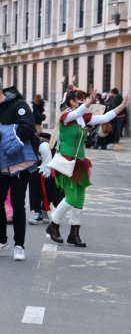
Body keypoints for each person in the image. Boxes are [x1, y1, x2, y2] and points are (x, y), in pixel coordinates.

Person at [46, 89, 130, 247]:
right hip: (66, 161)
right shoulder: (66, 116)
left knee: (79, 199)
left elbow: (105, 117)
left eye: (84, 99)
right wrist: (90, 102)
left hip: (80, 162)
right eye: (80, 99)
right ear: (71, 101)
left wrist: (123, 105)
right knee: (70, 198)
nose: (83, 102)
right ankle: (53, 226)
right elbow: (79, 110)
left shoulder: (83, 119)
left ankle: (74, 234)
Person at [0, 75, 36, 261]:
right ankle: (0, 240)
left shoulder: (19, 105)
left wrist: (2, 132)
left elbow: (28, 128)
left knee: (18, 204)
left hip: (18, 161)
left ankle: (19, 245)